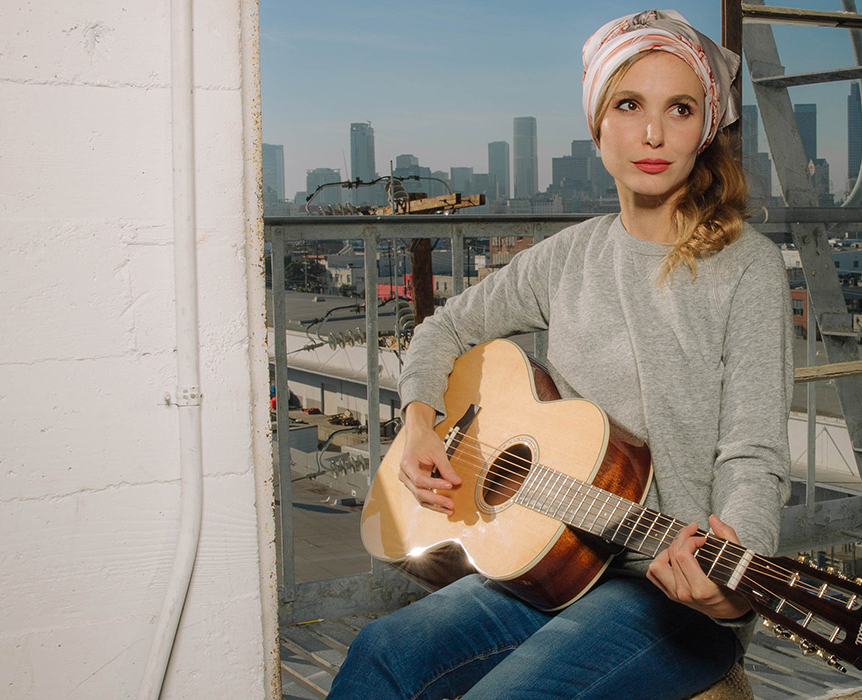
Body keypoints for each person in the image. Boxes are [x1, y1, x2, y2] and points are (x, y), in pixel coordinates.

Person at [327, 10, 793, 699]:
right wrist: (421, 418)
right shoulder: (568, 256)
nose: (654, 134)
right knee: (383, 651)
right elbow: (445, 327)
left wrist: (732, 582)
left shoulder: (747, 268)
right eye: (629, 105)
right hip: (550, 563)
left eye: (681, 109)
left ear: (705, 130)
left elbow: (753, 455)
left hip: (665, 593)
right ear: (598, 125)